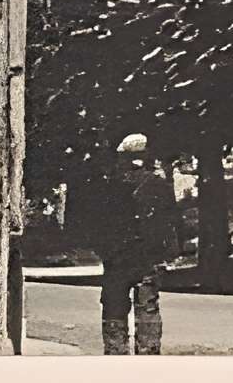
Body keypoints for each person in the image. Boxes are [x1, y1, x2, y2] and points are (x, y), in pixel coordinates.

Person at [82, 133, 180, 356]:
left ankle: (116, 354)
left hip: (118, 258)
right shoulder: (160, 185)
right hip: (149, 256)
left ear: (123, 158)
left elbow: (96, 223)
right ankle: (148, 354)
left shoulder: (108, 187)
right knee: (148, 307)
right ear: (145, 156)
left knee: (114, 306)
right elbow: (171, 221)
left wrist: (104, 249)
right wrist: (169, 252)